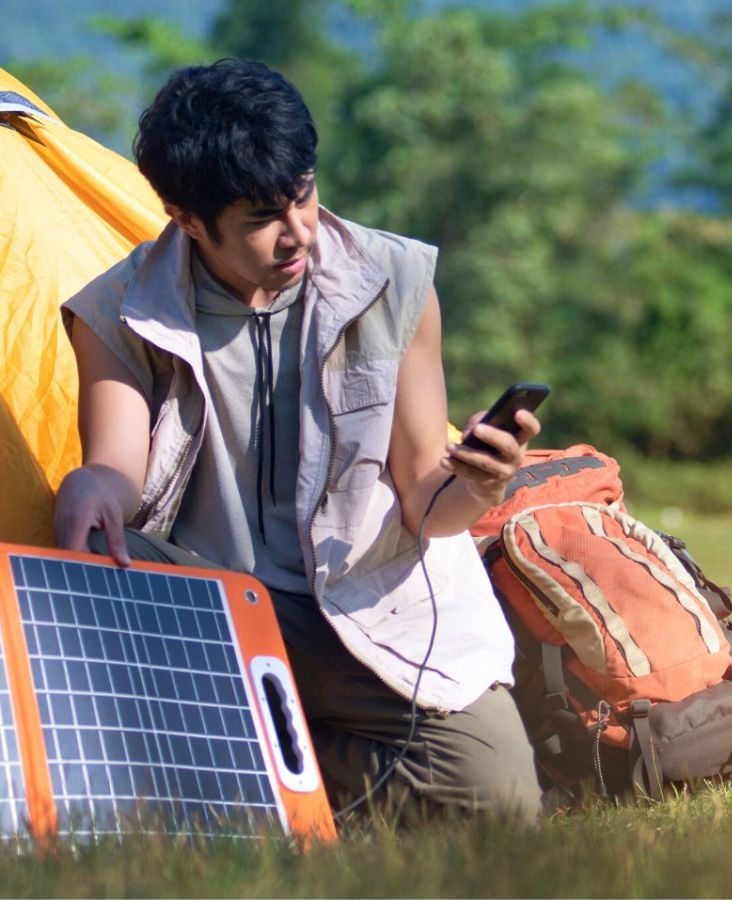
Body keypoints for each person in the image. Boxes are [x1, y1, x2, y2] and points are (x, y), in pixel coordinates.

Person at [52, 59, 544, 824]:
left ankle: (267, 766)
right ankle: (258, 762)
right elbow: (115, 467)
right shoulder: (116, 309)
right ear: (187, 218)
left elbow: (425, 499)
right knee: (91, 553)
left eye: (304, 194)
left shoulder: (396, 281)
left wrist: (477, 484)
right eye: (260, 218)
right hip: (211, 614)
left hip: (367, 604)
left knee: (498, 802)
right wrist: (89, 486)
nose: (298, 232)